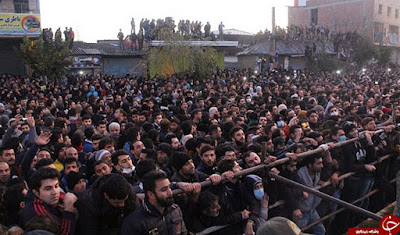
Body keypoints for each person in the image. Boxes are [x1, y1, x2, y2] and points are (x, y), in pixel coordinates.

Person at [121, 170, 187, 234]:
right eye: (164, 190)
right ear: (151, 195)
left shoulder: (175, 210)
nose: (170, 192)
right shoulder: (135, 222)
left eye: (169, 187)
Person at [21, 168, 78, 235]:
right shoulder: (35, 211)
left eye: (56, 186)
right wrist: (68, 210)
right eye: (48, 189)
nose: (55, 192)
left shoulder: (56, 198)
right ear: (36, 192)